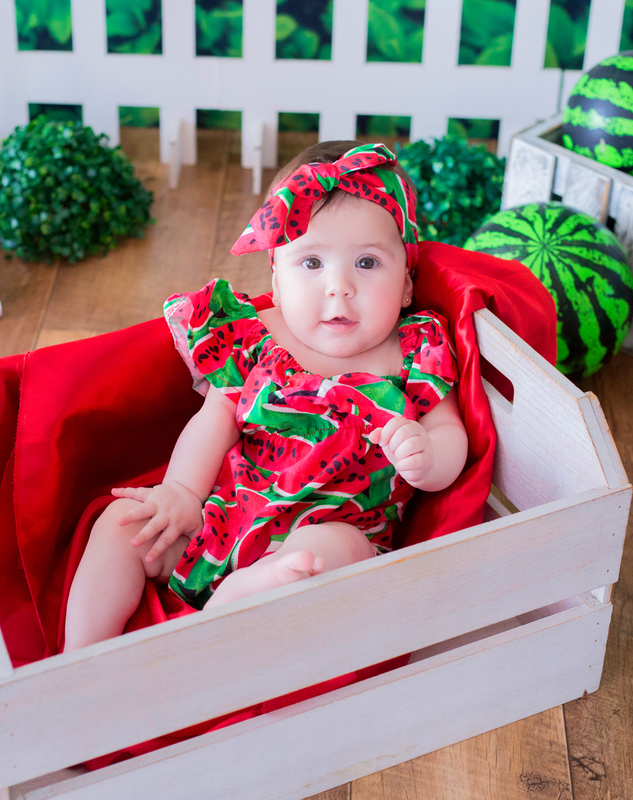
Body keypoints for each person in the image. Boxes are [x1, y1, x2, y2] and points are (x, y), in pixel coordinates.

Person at [63, 141, 469, 651]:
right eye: (311, 263)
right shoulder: (259, 336)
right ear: (275, 279)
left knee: (325, 555)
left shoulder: (413, 350)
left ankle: (243, 600)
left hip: (338, 527)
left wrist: (427, 459)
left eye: (367, 263)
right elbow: (217, 419)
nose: (338, 287)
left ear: (408, 284)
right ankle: (77, 657)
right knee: (122, 524)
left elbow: (449, 431)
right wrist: (183, 495)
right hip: (227, 519)